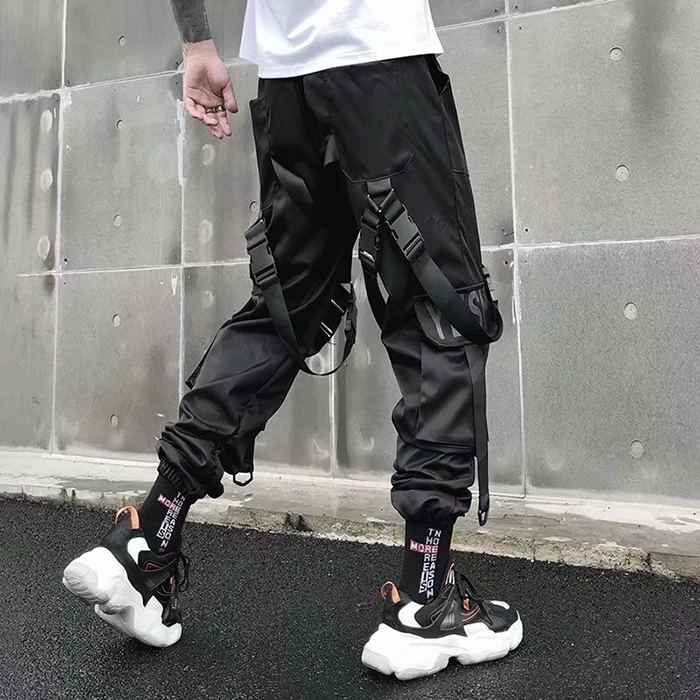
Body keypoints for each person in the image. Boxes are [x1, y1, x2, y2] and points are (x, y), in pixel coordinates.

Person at [62, 0, 522, 680]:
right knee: (440, 315)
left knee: (284, 313)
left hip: (289, 83)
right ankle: (426, 601)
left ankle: (147, 539)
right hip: (381, 61)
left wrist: (197, 46)